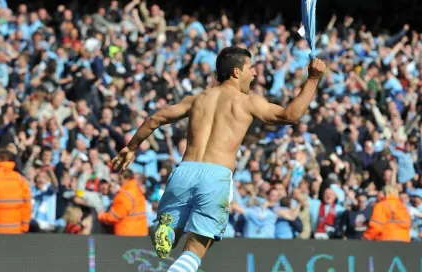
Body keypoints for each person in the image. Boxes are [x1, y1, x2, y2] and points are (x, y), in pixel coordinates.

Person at [112, 46, 326, 271]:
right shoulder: (247, 102)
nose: (254, 74)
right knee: (195, 250)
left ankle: (164, 230)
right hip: (215, 176)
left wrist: (131, 147)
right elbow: (289, 115)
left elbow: (156, 118)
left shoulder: (197, 99)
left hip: (184, 172)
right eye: (251, 68)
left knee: (164, 245)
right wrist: (313, 79)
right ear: (236, 72)